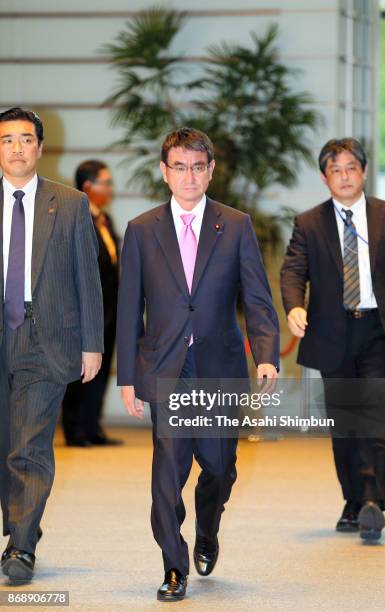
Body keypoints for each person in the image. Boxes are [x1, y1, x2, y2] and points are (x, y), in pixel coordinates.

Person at [116, 127, 280, 601]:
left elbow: (257, 299)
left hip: (218, 369)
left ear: (211, 171)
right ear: (164, 172)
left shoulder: (236, 224)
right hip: (166, 368)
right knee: (167, 472)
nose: (188, 176)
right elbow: (130, 310)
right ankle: (173, 565)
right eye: (179, 166)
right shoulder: (142, 230)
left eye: (197, 166)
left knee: (219, 466)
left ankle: (207, 526)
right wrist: (128, 377)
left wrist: (266, 356)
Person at [280, 138, 385, 541]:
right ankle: (352, 500)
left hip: (380, 331)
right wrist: (294, 306)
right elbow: (292, 271)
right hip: (333, 333)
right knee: (343, 423)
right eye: (336, 170)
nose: (345, 176)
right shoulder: (309, 222)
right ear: (324, 177)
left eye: (352, 167)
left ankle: (372, 500)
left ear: (364, 171)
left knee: (371, 411)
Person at [0, 108, 104, 582]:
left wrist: (92, 343)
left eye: (25, 140)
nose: (16, 148)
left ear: (40, 148)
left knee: (29, 443)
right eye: (7, 140)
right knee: (6, 440)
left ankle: (20, 546)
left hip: (45, 339)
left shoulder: (70, 203)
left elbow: (88, 278)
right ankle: (21, 523)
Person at [62, 160, 122, 447]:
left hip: (109, 312)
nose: (111, 189)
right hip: (83, 313)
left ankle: (93, 428)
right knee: (79, 373)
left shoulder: (105, 219)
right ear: (87, 186)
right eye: (106, 183)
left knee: (101, 372)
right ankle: (74, 430)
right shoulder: (74, 217)